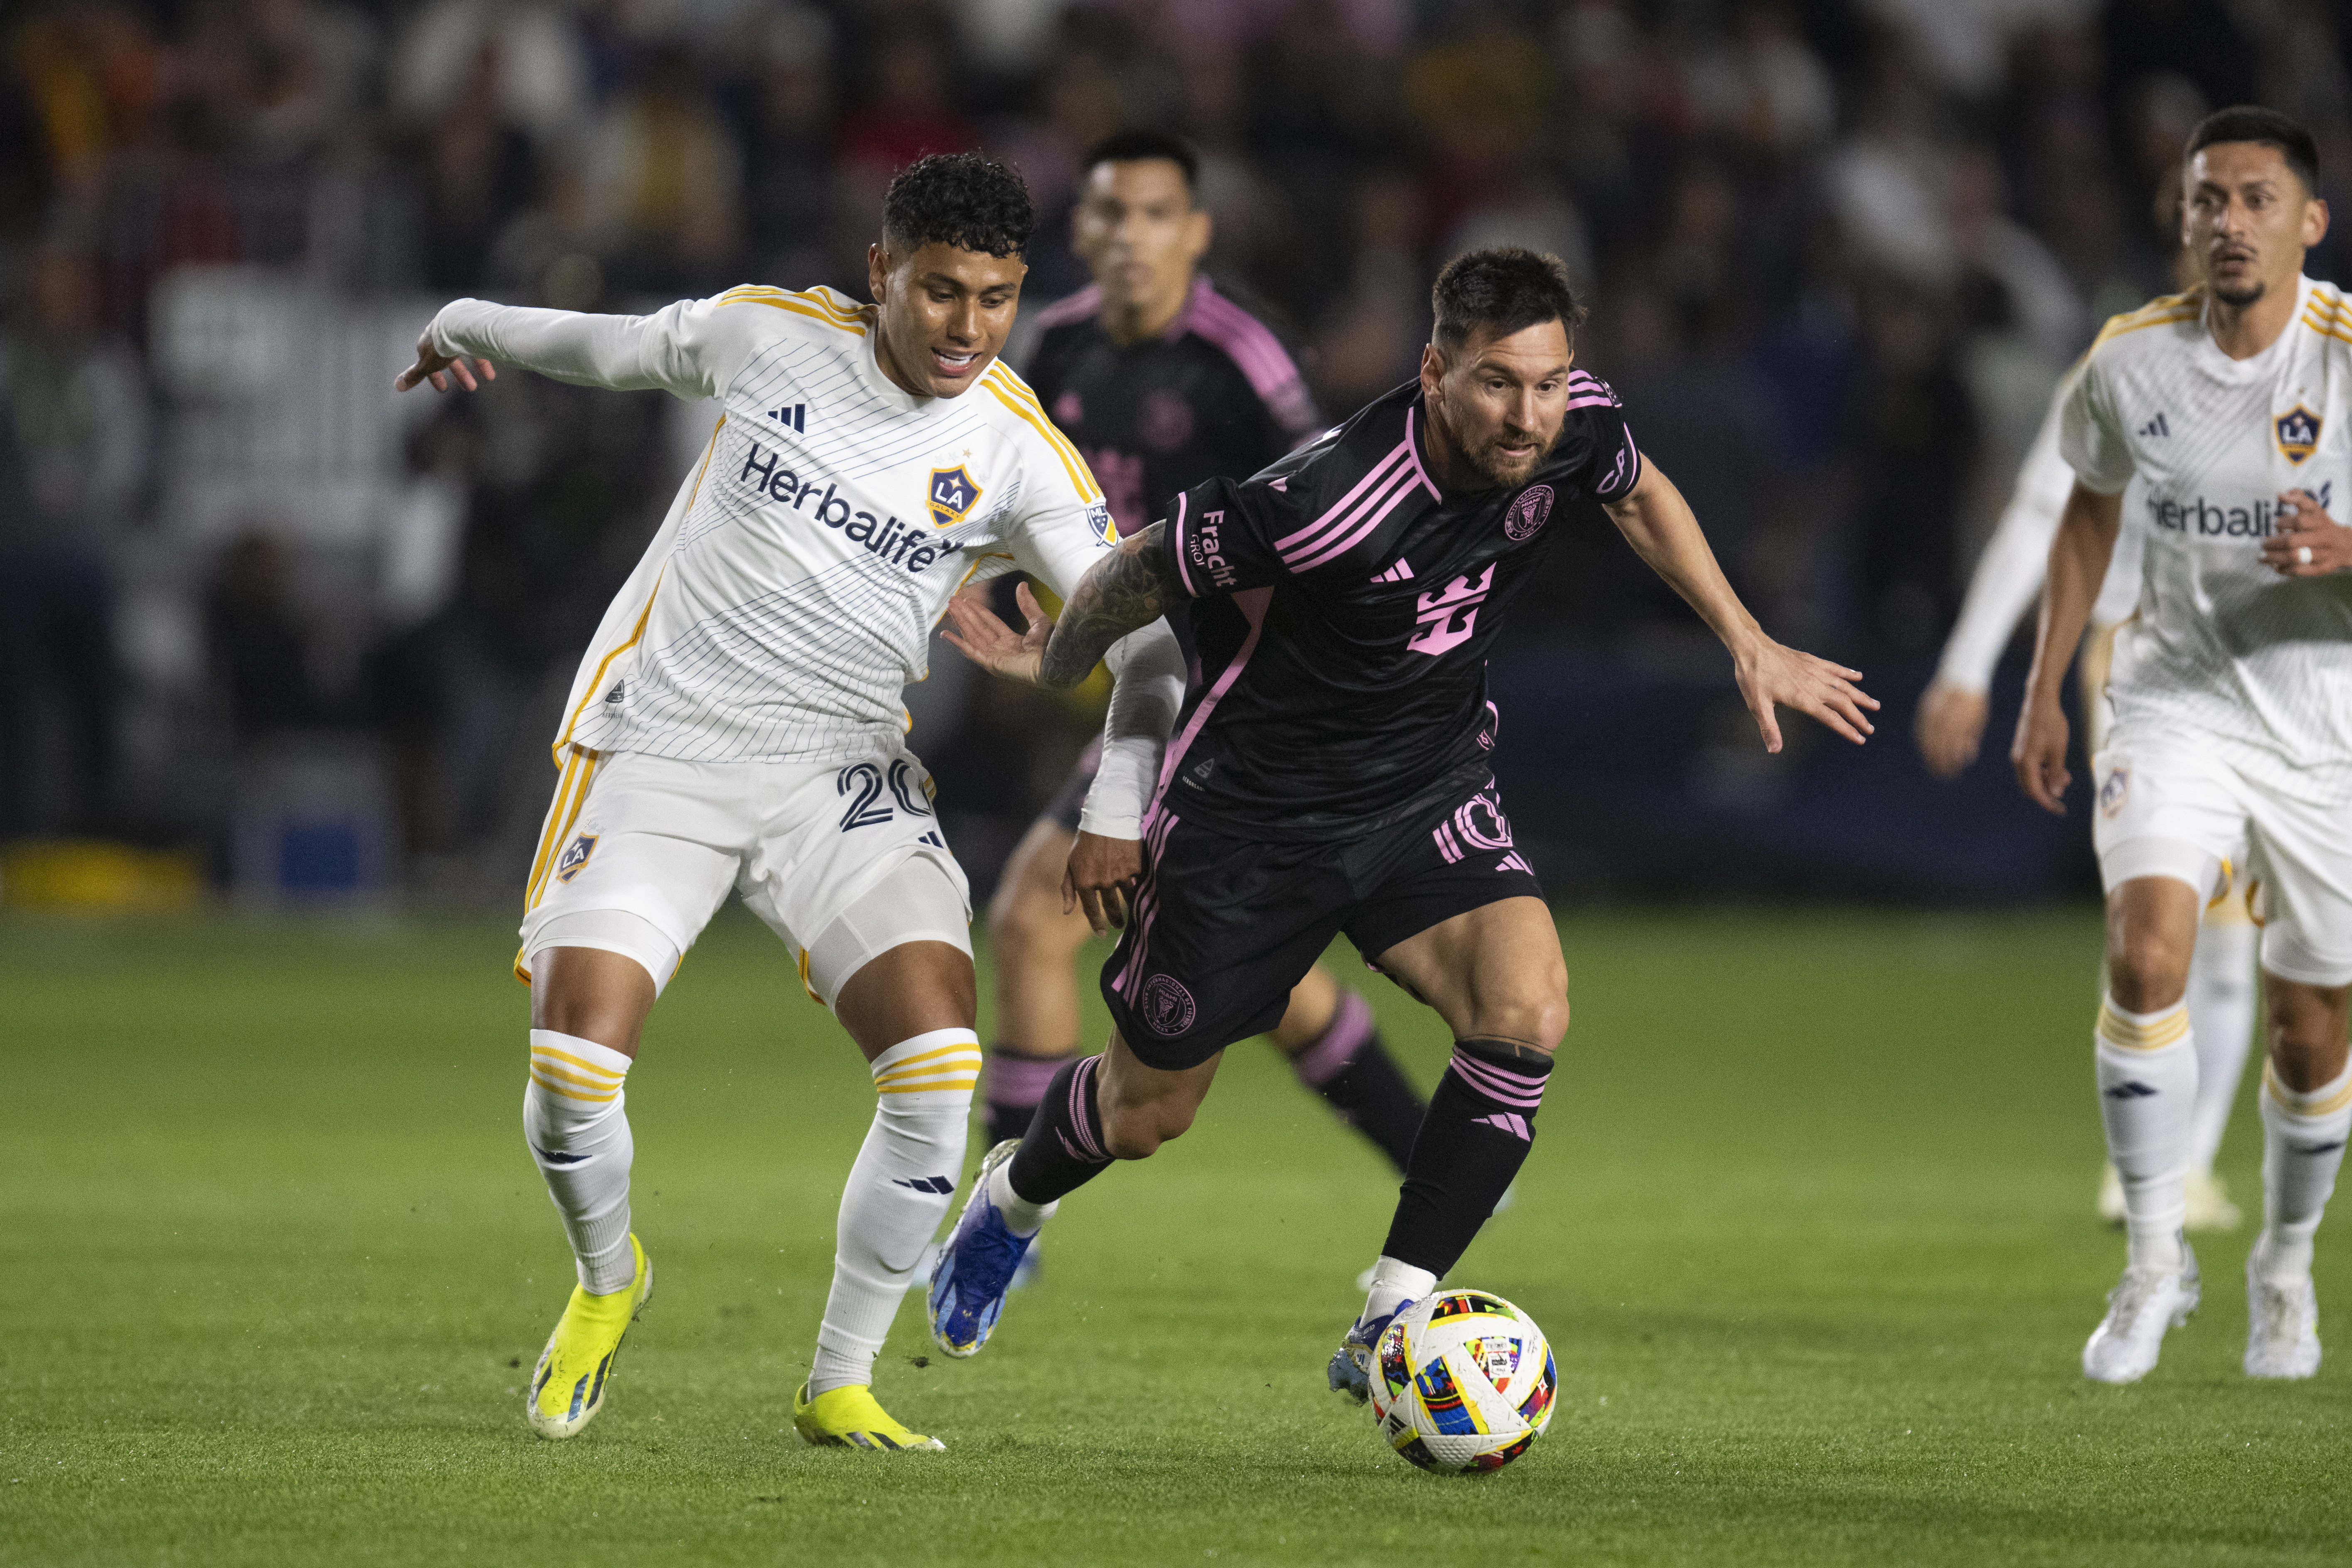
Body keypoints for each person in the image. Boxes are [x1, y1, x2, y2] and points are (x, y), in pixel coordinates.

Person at [925, 246, 1877, 1386]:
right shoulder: (1325, 501)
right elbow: (1137, 570)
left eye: (1546, 383)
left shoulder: (1569, 423)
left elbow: (1636, 492)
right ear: (1434, 372)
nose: (1527, 416)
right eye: (1496, 384)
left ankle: (1389, 1318)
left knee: (1525, 1005)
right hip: (1250, 820)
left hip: (1424, 788)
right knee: (1143, 1113)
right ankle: (1010, 1202)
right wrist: (1058, 672)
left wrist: (1746, 639)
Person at [393, 152, 1185, 1448]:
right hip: (662, 748)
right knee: (572, 1068)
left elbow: (1148, 648)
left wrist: (1114, 805)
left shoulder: (1017, 451)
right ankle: (608, 1278)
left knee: (937, 1068)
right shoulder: (768, 338)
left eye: (993, 298)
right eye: (939, 291)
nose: (966, 327)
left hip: (839, 772)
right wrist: (465, 322)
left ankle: (838, 1380)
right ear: (881, 272)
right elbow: (609, 350)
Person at [985, 129, 1429, 1191]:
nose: (1129, 236)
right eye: (1110, 212)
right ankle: (1433, 1159)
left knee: (1033, 917)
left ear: (1194, 232)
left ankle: (1003, 1213)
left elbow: (1337, 511)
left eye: (1153, 214)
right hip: (1143, 678)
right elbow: (1008, 485)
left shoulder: (1244, 357)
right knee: (1246, 963)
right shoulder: (1056, 345)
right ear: (1082, 227)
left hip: (1231, 694)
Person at [2013, 107, 2352, 1384]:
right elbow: (2085, 516)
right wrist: (2043, 687)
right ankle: (2152, 1260)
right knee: (2143, 950)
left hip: (2321, 722)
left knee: (2305, 1028)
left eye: (2255, 199)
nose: (2227, 222)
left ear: (2307, 222)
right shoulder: (2128, 360)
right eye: (2205, 199)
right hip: (2173, 700)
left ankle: (2283, 1263)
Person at [1919, 324, 2254, 1235]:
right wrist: (1968, 664)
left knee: (2234, 937)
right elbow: (2039, 514)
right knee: (2159, 911)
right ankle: (2151, 1163)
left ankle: (2181, 1166)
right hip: (2143, 653)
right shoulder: (2117, 365)